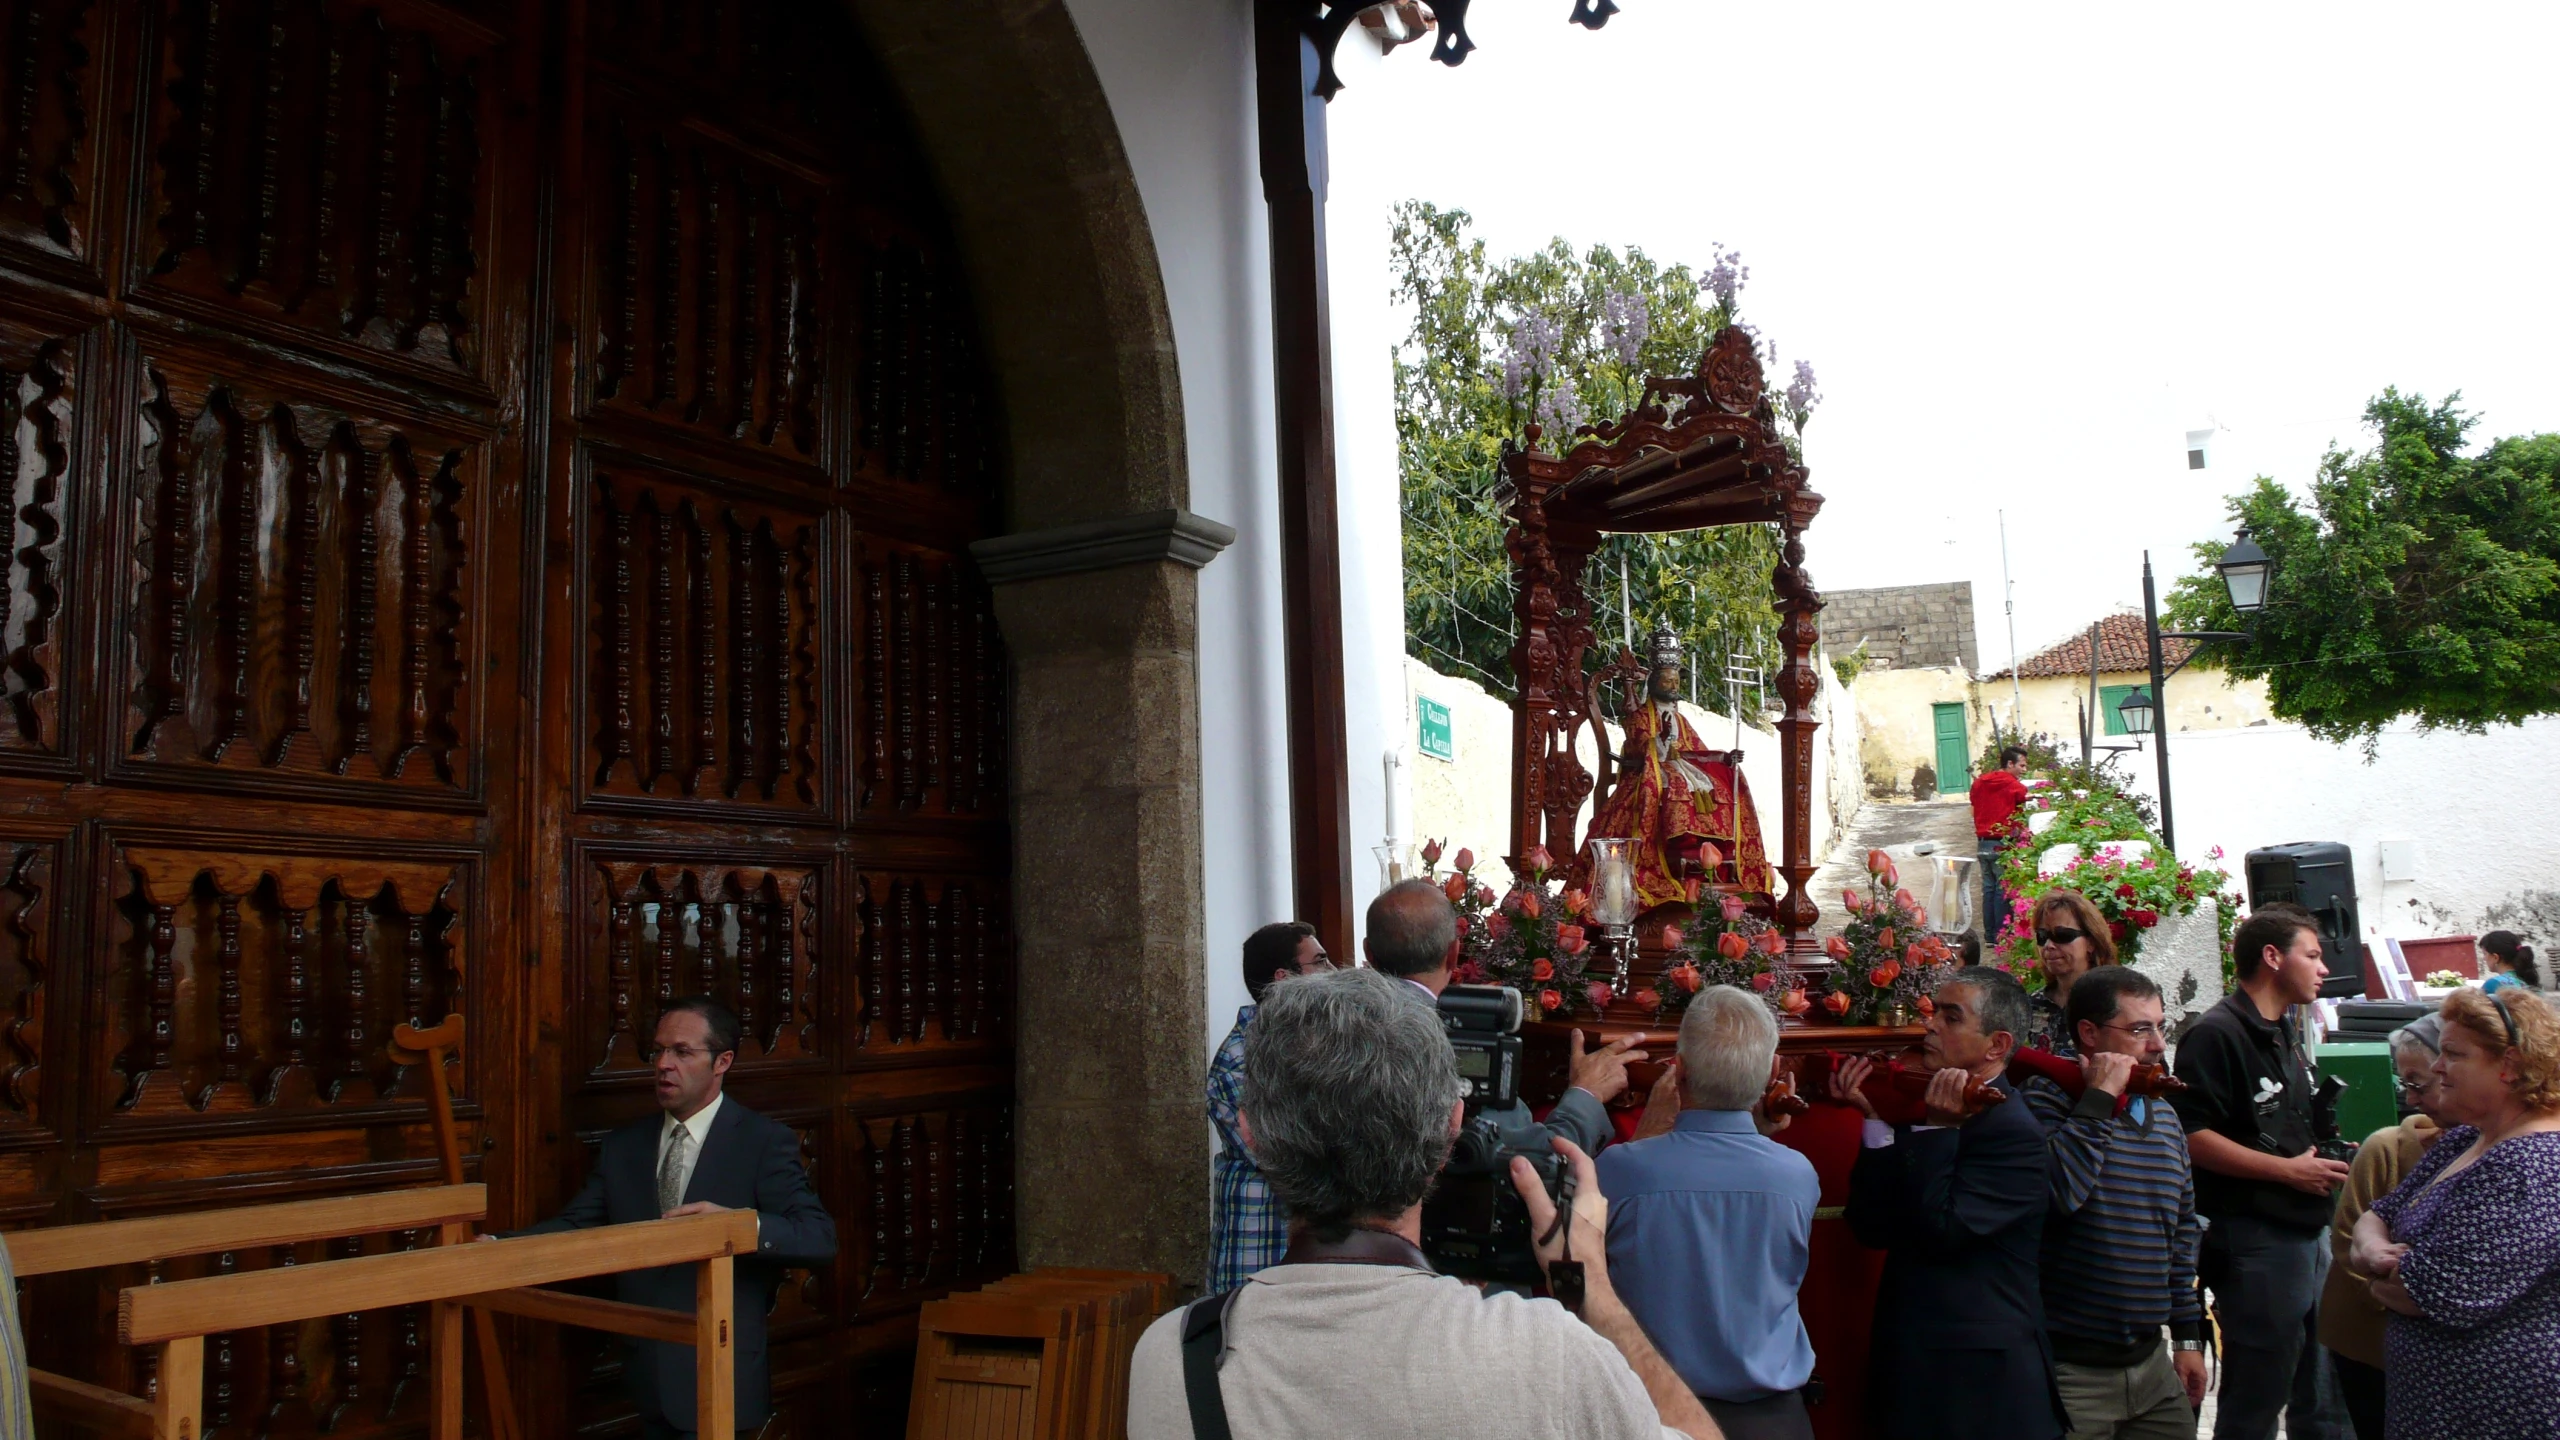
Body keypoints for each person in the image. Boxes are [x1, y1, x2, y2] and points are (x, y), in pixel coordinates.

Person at [1124, 967, 1719, 1440]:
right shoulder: (1545, 1353)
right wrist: (1594, 1290)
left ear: (1252, 1136)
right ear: (1450, 1130)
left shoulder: (1174, 1355)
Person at [513, 999, 838, 1439]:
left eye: (682, 1052)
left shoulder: (763, 1142)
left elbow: (818, 1238)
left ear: (722, 1061)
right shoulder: (625, 1146)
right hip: (644, 1378)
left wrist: (738, 1226)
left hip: (720, 1376)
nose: (664, 1064)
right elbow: (578, 1225)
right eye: (659, 1051)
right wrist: (501, 1248)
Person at [1833, 967, 2066, 1440]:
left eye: (1951, 1017)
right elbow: (1871, 1227)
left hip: (1981, 1392)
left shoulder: (2014, 1134)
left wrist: (1938, 1131)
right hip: (1916, 1375)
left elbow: (1940, 1231)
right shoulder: (1930, 1107)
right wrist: (1876, 1122)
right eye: (1934, 1011)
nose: (1931, 1025)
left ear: (1997, 1045)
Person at [1600, 987, 1822, 1440]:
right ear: (1773, 1073)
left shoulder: (1623, 1169)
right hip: (1769, 1420)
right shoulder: (1796, 1175)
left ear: (1678, 1072)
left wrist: (1644, 1136)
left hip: (1651, 1414)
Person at [2170, 903, 2351, 1440]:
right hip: (2256, 1239)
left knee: (2322, 1394)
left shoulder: (2282, 1029)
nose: (2324, 968)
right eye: (2313, 955)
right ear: (2272, 957)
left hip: (2309, 1232)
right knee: (2257, 1396)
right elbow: (2192, 1135)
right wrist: (2285, 1173)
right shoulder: (2216, 1034)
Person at [2349, 986, 2560, 1440]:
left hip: (2496, 1417)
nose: (2438, 1067)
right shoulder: (2469, 1138)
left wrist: (2374, 1262)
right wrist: (2377, 1251)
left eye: (2453, 1054)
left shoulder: (2533, 1164)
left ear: (2510, 1065)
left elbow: (2433, 1292)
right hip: (2437, 1411)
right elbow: (2377, 1213)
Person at [2017, 965, 2206, 1440]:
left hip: (2151, 1365)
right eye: (2141, 1029)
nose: (2159, 1044)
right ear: (2088, 1033)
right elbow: (2059, 1194)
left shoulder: (2163, 1116)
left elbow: (2181, 1232)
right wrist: (2100, 1097)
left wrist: (2187, 1338)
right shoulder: (2044, 1099)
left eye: (2160, 1026)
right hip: (2071, 1373)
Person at [1362, 878, 1637, 1158]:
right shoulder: (1454, 1039)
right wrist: (1586, 1095)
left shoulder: (1326, 1021)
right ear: (1454, 954)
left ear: (1368, 953)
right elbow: (1535, 1159)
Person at [2319, 1015, 2447, 1440]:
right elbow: (2348, 1238)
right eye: (2404, 1084)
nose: (2411, 1100)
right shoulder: (2386, 1148)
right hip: (2371, 1345)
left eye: (2419, 1084)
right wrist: (2391, 1291)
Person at [1584, 623, 1775, 907]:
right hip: (1649, 773)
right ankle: (1669, 856)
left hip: (1683, 770)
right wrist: (1658, 741)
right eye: (1667, 680)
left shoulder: (1681, 720)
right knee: (1670, 786)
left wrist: (1725, 758)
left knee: (1721, 784)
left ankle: (1710, 853)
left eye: (1676, 681)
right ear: (1653, 682)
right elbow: (1636, 746)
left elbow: (1697, 751)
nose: (1673, 685)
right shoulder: (1639, 717)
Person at [1207, 920, 1332, 1293]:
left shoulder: (1318, 1043)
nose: (1332, 971)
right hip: (1260, 1249)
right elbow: (1285, 1154)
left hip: (1309, 1246)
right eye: (1320, 962)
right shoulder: (1239, 1059)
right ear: (1284, 978)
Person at [2022, 889, 2116, 1058]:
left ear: (2091, 943)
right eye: (2042, 936)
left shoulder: (2114, 1004)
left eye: (2063, 935)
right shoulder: (2033, 1004)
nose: (2049, 945)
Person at [1970, 744, 2033, 944]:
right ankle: (2001, 936)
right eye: (2022, 766)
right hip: (2002, 843)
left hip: (1982, 844)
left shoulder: (1980, 782)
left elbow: (1973, 801)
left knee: (1988, 890)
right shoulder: (2013, 784)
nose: (2024, 770)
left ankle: (1989, 937)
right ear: (2010, 763)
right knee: (2002, 890)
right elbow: (2023, 798)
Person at [2480, 929, 2542, 995]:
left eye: (2485, 954)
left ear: (2495, 957)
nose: (2484, 958)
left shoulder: (2493, 984)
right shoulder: (2531, 981)